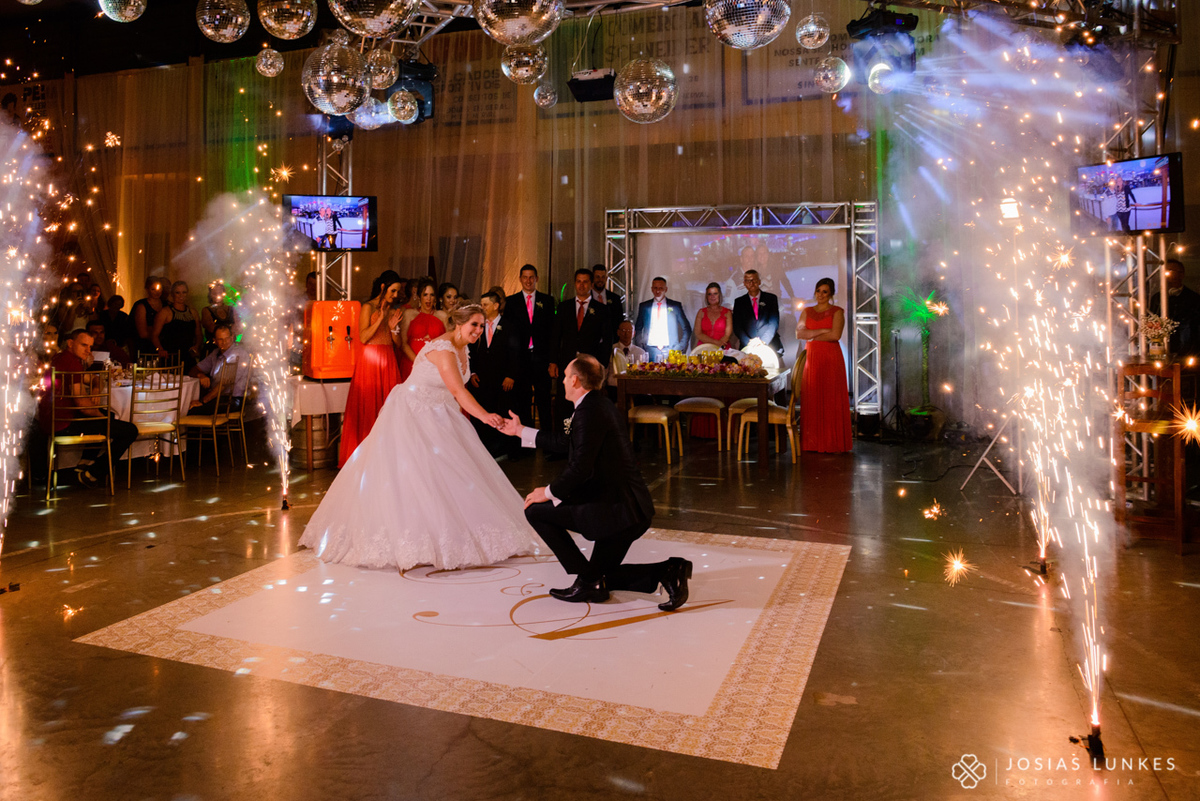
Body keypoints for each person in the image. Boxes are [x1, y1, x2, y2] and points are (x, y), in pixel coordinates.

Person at [299, 305, 538, 571]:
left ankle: (454, 533)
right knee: (413, 478)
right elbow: (459, 392)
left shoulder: (463, 347)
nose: (478, 331)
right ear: (458, 324)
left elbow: (455, 394)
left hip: (441, 413)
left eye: (482, 326)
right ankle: (416, 540)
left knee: (454, 474)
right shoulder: (443, 349)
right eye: (474, 325)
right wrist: (485, 417)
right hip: (413, 412)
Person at [498, 354, 691, 609]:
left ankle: (594, 580)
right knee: (601, 577)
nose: (563, 381)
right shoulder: (597, 405)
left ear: (575, 380)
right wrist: (521, 431)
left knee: (536, 510)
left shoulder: (589, 411)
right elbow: (569, 445)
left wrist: (548, 491)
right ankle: (655, 572)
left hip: (618, 512)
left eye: (566, 376)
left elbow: (580, 469)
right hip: (626, 508)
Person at [38, 330, 139, 488]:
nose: (88, 350)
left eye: (90, 347)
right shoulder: (71, 363)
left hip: (52, 418)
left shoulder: (62, 358)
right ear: (71, 343)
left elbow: (93, 379)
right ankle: (94, 473)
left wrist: (95, 388)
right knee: (130, 430)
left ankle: (85, 463)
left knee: (111, 416)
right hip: (62, 423)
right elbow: (83, 405)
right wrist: (100, 416)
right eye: (84, 345)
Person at [340, 271, 405, 467]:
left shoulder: (394, 311)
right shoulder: (367, 307)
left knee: (391, 406)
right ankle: (367, 457)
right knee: (370, 406)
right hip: (370, 361)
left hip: (388, 359)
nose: (395, 295)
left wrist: (393, 327)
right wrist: (380, 319)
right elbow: (363, 337)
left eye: (398, 292)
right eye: (393, 291)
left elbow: (398, 344)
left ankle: (389, 455)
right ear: (383, 287)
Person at [501, 264, 555, 454]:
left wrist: (552, 361)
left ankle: (549, 447)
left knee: (544, 403)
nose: (528, 280)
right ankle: (527, 447)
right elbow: (508, 336)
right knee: (522, 403)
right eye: (525, 277)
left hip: (541, 359)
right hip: (520, 361)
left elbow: (552, 333)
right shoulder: (512, 302)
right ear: (520, 279)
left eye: (532, 277)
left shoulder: (547, 301)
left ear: (537, 278)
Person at [796, 278, 852, 453]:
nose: (820, 295)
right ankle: (812, 442)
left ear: (831, 294)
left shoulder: (837, 312)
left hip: (830, 358)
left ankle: (831, 442)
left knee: (830, 397)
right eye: (818, 290)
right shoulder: (807, 311)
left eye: (825, 292)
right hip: (812, 358)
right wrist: (822, 331)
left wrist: (811, 335)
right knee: (812, 395)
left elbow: (835, 335)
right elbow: (799, 333)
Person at [550, 268, 609, 429]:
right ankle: (562, 444)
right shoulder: (564, 307)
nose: (581, 285)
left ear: (590, 284)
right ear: (575, 283)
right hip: (566, 362)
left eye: (585, 282)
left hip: (590, 365)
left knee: (588, 404)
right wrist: (553, 362)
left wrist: (601, 364)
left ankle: (585, 441)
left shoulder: (601, 310)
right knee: (564, 403)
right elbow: (556, 336)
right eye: (578, 281)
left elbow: (606, 341)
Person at [468, 291, 514, 454]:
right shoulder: (477, 325)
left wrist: (510, 375)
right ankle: (483, 446)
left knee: (501, 411)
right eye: (481, 305)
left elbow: (515, 353)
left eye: (485, 305)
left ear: (496, 306)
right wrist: (472, 372)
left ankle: (502, 447)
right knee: (483, 411)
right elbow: (470, 351)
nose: (482, 308)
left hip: (501, 379)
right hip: (481, 379)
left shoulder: (509, 326)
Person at [188, 323, 250, 416]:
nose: (224, 342)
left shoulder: (238, 354)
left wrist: (203, 401)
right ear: (215, 341)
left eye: (227, 338)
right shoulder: (215, 353)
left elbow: (224, 385)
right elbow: (194, 370)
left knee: (190, 410)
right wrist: (200, 375)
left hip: (233, 400)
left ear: (232, 337)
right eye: (220, 339)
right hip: (217, 397)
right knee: (187, 406)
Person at [398, 277, 447, 382]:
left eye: (431, 295)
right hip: (412, 364)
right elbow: (403, 343)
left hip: (435, 365)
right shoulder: (409, 314)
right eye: (425, 295)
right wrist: (419, 362)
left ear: (436, 298)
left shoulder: (442, 316)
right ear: (419, 297)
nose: (428, 299)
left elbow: (449, 342)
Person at [633, 276, 691, 362]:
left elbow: (687, 329)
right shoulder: (644, 306)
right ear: (652, 289)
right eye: (655, 288)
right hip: (650, 349)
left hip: (671, 349)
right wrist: (641, 346)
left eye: (661, 288)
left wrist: (679, 347)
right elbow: (638, 328)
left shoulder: (675, 306)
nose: (658, 291)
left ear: (666, 289)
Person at [1149, 259, 1200, 355]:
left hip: (1188, 350)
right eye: (1169, 271)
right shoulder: (1156, 298)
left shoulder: (1194, 298)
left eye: (1177, 272)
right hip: (1161, 348)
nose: (1173, 275)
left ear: (1182, 274)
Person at [151, 280, 202, 371]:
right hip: (170, 357)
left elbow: (198, 333)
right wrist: (160, 349)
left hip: (188, 356)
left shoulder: (193, 312)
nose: (181, 295)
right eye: (177, 292)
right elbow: (154, 335)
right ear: (172, 294)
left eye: (184, 292)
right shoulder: (165, 312)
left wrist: (197, 346)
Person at [732, 269, 783, 359]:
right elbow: (737, 326)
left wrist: (762, 342)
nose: (751, 283)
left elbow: (773, 323)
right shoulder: (739, 302)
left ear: (759, 281)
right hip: (747, 348)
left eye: (754, 280)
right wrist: (749, 343)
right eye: (748, 281)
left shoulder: (771, 299)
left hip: (769, 346)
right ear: (744, 283)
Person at [692, 282, 735, 351]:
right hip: (704, 349)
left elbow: (727, 335)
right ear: (707, 296)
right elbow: (698, 333)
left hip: (722, 348)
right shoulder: (701, 312)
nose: (712, 296)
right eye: (709, 294)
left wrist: (719, 346)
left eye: (715, 293)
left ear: (719, 295)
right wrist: (716, 343)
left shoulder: (727, 312)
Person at [131, 276, 165, 358]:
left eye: (159, 289)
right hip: (146, 348)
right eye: (153, 289)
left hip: (163, 348)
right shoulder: (141, 306)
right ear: (147, 289)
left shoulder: (166, 305)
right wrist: (157, 336)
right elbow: (143, 333)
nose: (157, 292)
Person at [591, 264, 624, 343]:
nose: (600, 280)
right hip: (591, 343)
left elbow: (619, 322)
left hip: (611, 343)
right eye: (597, 277)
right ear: (592, 278)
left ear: (606, 278)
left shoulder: (615, 299)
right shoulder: (587, 298)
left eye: (603, 277)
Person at [200, 281, 237, 350]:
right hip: (213, 350)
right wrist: (229, 329)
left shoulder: (232, 309)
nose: (217, 295)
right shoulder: (206, 310)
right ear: (210, 294)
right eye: (214, 293)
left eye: (220, 292)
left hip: (230, 349)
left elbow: (238, 327)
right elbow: (212, 328)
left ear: (224, 293)